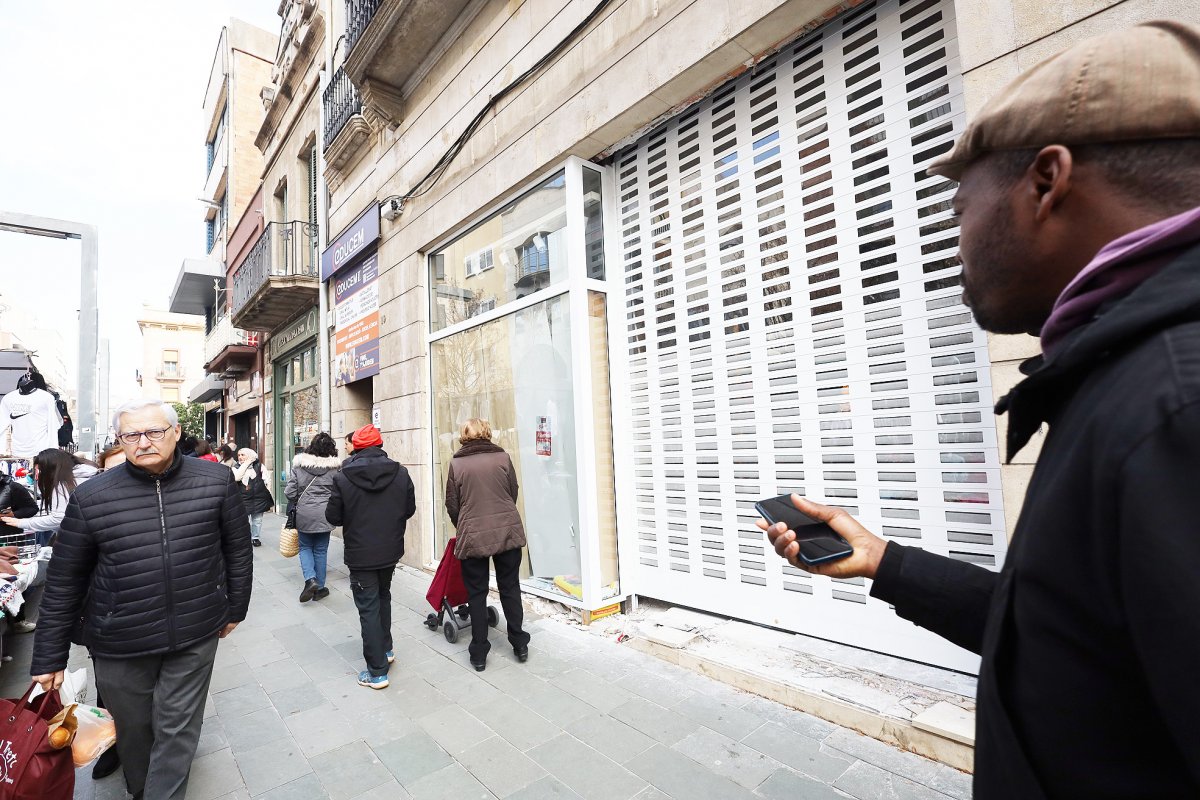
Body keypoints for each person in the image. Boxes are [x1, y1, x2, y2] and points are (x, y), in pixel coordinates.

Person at [762, 21, 1200, 799]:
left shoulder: (1175, 403)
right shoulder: (1125, 368)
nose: (951, 237)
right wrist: (888, 563)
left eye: (961, 205)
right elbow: (1073, 640)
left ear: (1047, 182)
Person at [29, 398, 252, 800]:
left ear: (176, 433)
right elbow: (65, 580)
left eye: (154, 432)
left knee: (177, 727)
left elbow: (237, 549)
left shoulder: (215, 482)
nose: (143, 442)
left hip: (195, 629)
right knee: (133, 729)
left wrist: (235, 606)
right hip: (119, 640)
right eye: (131, 434)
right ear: (121, 440)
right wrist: (49, 656)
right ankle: (140, 788)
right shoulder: (92, 497)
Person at [325, 425, 414, 689]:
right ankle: (385, 650)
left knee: (368, 607)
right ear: (380, 444)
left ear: (357, 447)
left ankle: (377, 672)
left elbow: (333, 516)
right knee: (383, 596)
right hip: (390, 549)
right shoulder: (401, 472)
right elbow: (409, 509)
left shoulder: (342, 477)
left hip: (360, 552)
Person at [444, 418, 530, 671]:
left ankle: (479, 653)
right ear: (487, 433)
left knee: (477, 594)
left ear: (464, 435)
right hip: (507, 531)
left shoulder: (457, 464)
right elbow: (512, 491)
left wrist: (464, 523)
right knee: (510, 588)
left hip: (473, 535)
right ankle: (519, 643)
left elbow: (452, 504)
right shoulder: (502, 458)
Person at [284, 433, 341, 603]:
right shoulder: (335, 469)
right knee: (321, 550)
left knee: (305, 547)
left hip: (304, 514)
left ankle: (310, 579)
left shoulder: (299, 467)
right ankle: (320, 589)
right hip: (326, 514)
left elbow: (289, 492)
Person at [1, 448, 78, 554]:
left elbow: (55, 516)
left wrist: (16, 518)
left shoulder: (12, 487)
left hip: (8, 539)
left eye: (38, 471)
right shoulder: (66, 483)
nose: (37, 476)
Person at [0, 370, 61, 458]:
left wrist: (53, 452)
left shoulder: (46, 398)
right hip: (16, 452)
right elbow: (2, 426)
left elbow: (52, 427)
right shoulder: (8, 398)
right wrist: (2, 450)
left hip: (40, 451)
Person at [234, 448, 273, 547]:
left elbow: (267, 480)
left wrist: (267, 491)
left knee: (257, 520)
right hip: (243, 498)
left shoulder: (259, 466)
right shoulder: (236, 466)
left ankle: (255, 538)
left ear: (250, 455)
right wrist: (246, 464)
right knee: (243, 521)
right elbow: (237, 477)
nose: (240, 457)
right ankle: (245, 538)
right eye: (239, 455)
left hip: (259, 497)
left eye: (243, 455)